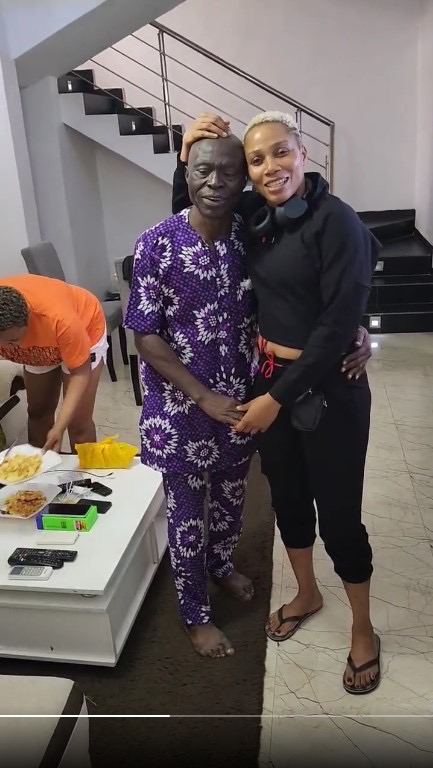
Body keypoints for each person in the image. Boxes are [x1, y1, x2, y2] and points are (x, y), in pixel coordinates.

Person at [172, 111, 381, 693]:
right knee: (288, 500)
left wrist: (275, 400)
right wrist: (185, 155)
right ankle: (307, 593)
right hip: (269, 378)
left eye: (281, 152)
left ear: (303, 153)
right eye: (257, 159)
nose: (270, 167)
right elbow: (191, 212)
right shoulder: (253, 215)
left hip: (330, 388)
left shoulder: (336, 221)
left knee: (339, 516)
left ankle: (362, 627)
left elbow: (337, 325)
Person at [125, 134, 258, 659]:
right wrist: (203, 397)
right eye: (203, 171)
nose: (214, 182)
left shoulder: (251, 238)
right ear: (186, 175)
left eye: (228, 172)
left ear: (243, 180)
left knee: (231, 500)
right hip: (180, 412)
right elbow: (145, 336)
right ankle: (194, 613)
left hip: (240, 406)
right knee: (186, 517)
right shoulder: (156, 243)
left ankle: (220, 565)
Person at [0, 274, 108, 452]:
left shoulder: (61, 320)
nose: (7, 349)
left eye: (13, 341)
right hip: (42, 342)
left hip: (83, 328)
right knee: (38, 414)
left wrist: (59, 427)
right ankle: (38, 467)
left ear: (29, 320)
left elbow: (80, 374)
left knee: (78, 424)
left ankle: (86, 469)